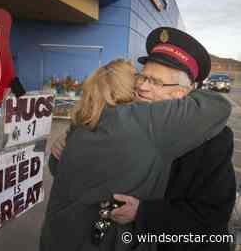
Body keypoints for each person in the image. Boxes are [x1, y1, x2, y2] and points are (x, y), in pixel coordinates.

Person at [47, 27, 236, 251]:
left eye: (155, 82)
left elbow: (212, 216)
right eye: (142, 77)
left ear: (183, 94)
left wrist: (144, 214)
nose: (142, 87)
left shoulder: (212, 140)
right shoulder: (123, 115)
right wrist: (64, 148)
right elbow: (76, 170)